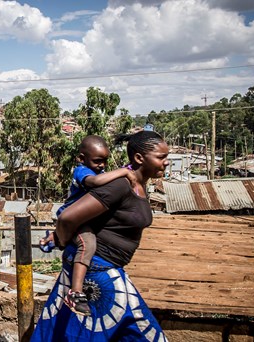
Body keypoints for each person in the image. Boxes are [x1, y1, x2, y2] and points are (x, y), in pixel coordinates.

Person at [32, 130, 170, 342]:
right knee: (135, 332)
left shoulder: (138, 185)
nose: (167, 162)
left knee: (80, 332)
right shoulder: (119, 185)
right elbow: (68, 217)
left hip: (105, 268)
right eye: (161, 157)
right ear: (139, 158)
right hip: (98, 272)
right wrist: (60, 239)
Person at [40, 135, 137, 315]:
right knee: (88, 245)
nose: (102, 165)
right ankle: (75, 293)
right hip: (75, 219)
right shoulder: (82, 171)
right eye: (98, 161)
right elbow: (95, 183)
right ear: (81, 158)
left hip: (85, 220)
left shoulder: (98, 171)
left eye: (105, 161)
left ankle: (53, 239)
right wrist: (123, 172)